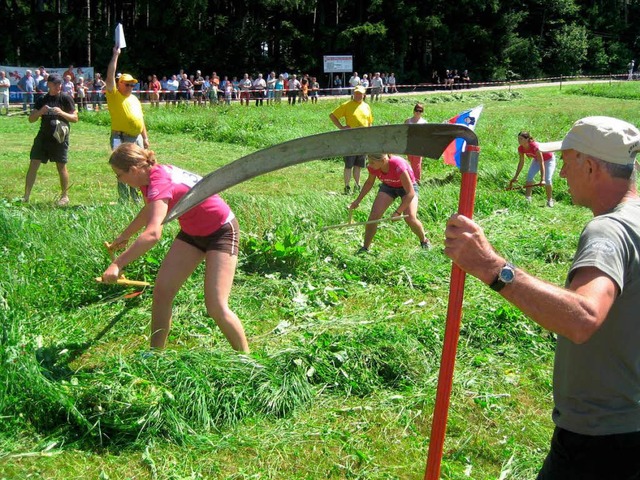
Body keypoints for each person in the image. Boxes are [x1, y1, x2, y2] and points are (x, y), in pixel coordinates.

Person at [444, 116, 640, 480]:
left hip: (602, 437)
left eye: (566, 161)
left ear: (591, 166)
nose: (561, 174)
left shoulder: (608, 231)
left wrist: (491, 267)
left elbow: (583, 318)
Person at [102, 143, 250, 353]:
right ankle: (155, 355)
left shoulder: (159, 181)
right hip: (192, 233)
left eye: (119, 175)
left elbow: (153, 233)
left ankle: (246, 359)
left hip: (221, 232)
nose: (119, 180)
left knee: (216, 305)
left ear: (133, 170)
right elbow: (150, 210)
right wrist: (125, 235)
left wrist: (118, 264)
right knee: (162, 292)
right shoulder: (148, 177)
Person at [349, 153, 431, 253]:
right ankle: (365, 248)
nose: (369, 165)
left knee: (409, 217)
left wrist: (398, 212)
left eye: (372, 162)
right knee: (373, 218)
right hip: (388, 186)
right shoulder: (373, 167)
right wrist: (358, 200)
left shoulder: (398, 166)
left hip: (407, 188)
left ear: (383, 161)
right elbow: (369, 183)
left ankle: (424, 241)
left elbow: (410, 193)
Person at [23, 73, 78, 205]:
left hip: (60, 138)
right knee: (33, 165)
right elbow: (31, 119)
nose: (58, 86)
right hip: (43, 137)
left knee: (61, 167)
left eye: (60, 83)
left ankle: (65, 196)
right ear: (48, 84)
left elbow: (75, 118)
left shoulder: (66, 98)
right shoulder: (42, 99)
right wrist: (40, 111)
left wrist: (61, 112)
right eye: (55, 84)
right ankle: (26, 196)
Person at [106, 45, 150, 203]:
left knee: (138, 167)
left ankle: (137, 198)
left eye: (132, 84)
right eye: (127, 84)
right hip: (121, 137)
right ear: (119, 84)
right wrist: (115, 55)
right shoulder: (114, 95)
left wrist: (145, 138)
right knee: (123, 167)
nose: (131, 87)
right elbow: (110, 76)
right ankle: (124, 200)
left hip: (137, 137)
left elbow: (140, 118)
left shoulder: (134, 98)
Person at [329, 85, 373, 194]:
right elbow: (332, 116)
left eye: (360, 93)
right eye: (356, 93)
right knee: (349, 164)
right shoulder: (347, 105)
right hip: (350, 139)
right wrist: (341, 127)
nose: (358, 95)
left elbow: (370, 122)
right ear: (354, 93)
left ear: (364, 95)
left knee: (359, 164)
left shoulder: (366, 106)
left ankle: (357, 185)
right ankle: (347, 186)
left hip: (363, 140)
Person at [509, 131, 556, 207]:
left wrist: (542, 179)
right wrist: (516, 176)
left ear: (527, 139)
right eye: (518, 139)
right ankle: (527, 199)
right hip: (537, 160)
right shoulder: (521, 148)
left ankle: (549, 200)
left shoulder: (534, 147)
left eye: (521, 139)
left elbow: (542, 163)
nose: (519, 141)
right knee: (529, 177)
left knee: (548, 179)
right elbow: (521, 162)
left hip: (548, 159)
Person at [404, 102, 427, 183]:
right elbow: (404, 133)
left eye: (420, 111)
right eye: (417, 110)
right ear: (414, 111)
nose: (418, 112)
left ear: (422, 112)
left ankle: (416, 181)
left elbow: (425, 135)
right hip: (409, 145)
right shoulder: (408, 121)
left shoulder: (424, 122)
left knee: (417, 164)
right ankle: (410, 178)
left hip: (419, 145)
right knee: (410, 162)